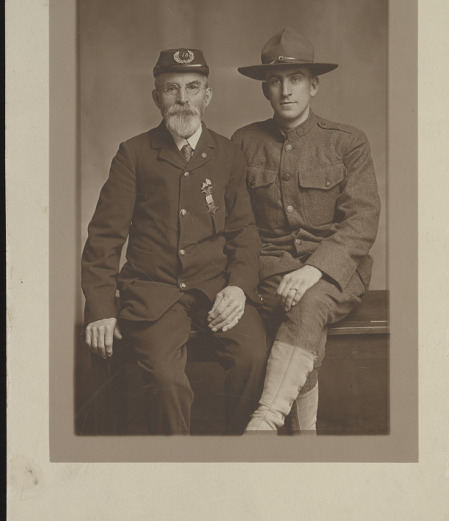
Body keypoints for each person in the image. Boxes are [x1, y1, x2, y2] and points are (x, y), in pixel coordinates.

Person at [82, 47, 268, 435]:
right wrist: (100, 307)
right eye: (171, 89)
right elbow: (104, 238)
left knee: (253, 356)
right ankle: (177, 472)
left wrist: (237, 288)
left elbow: (244, 233)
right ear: (157, 97)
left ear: (208, 95)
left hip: (216, 290)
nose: (183, 99)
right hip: (154, 295)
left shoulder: (229, 154)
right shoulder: (133, 154)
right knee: (167, 383)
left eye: (193, 87)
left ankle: (242, 466)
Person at [232, 27, 381, 434]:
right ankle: (306, 436)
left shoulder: (347, 142)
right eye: (276, 81)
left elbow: (361, 220)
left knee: (309, 301)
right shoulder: (244, 142)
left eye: (296, 79)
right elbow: (239, 225)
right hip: (271, 270)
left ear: (313, 86)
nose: (286, 90)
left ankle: (266, 419)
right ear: (265, 89)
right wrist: (275, 270)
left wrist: (315, 268)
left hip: (337, 271)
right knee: (303, 309)